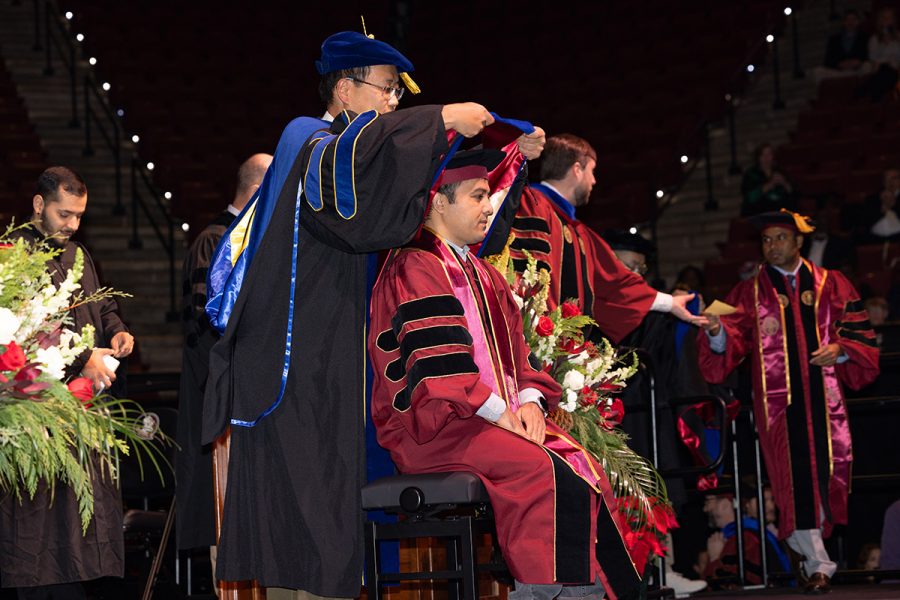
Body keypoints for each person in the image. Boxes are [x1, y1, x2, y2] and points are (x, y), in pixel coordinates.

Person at [200, 30, 544, 597]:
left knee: (337, 516)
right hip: (300, 362)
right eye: (386, 89)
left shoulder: (361, 154)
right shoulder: (307, 143)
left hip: (343, 360)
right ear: (343, 86)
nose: (392, 103)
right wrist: (440, 119)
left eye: (397, 96)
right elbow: (354, 199)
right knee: (304, 522)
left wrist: (511, 155)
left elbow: (431, 207)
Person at [369, 147, 642, 600]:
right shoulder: (415, 266)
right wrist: (504, 415)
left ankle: (595, 594)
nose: (490, 207)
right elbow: (441, 371)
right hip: (436, 429)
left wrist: (532, 403)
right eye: (478, 196)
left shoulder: (481, 272)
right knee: (542, 470)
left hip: (491, 422)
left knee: (587, 467)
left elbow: (522, 357)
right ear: (439, 200)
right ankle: (543, 593)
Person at [697, 210, 881, 594]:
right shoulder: (749, 291)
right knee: (792, 483)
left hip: (825, 402)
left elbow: (860, 335)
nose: (773, 246)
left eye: (781, 238)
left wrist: (841, 350)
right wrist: (715, 330)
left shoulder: (833, 284)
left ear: (799, 242)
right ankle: (819, 564)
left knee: (823, 477)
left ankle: (809, 555)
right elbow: (727, 330)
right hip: (779, 409)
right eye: (767, 240)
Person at [1, 166, 134, 598]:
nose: (73, 225)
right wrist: (84, 357)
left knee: (80, 545)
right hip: (38, 413)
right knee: (39, 541)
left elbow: (104, 305)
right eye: (64, 215)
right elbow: (25, 328)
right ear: (39, 205)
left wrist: (115, 330)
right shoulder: (13, 254)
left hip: (82, 411)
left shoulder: (78, 255)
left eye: (79, 216)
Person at [507, 134, 704, 345]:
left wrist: (670, 303)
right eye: (591, 171)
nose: (594, 180)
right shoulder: (530, 205)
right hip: (525, 341)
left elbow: (617, 283)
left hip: (562, 351)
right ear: (576, 170)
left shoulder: (581, 234)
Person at [174, 154, 271, 555]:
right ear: (258, 191)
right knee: (224, 511)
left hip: (248, 395)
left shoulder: (257, 239)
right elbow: (204, 326)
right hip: (222, 396)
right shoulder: (216, 241)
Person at [814, 9, 871, 83]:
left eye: (853, 19)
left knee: (867, 66)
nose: (850, 22)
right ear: (843, 22)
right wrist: (839, 64)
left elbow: (868, 56)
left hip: (857, 71)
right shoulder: (834, 39)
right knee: (818, 71)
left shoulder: (865, 38)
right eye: (848, 19)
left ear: (858, 22)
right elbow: (827, 60)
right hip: (839, 72)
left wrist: (858, 62)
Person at [857, 7, 900, 102]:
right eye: (884, 18)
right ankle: (873, 99)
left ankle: (863, 92)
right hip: (881, 71)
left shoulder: (898, 38)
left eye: (890, 18)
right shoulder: (874, 39)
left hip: (896, 71)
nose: (887, 21)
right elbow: (873, 59)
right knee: (884, 72)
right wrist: (884, 45)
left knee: (887, 71)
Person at [740, 143, 795, 217]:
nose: (766, 158)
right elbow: (750, 198)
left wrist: (784, 183)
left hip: (781, 213)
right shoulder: (751, 174)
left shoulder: (781, 171)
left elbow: (793, 193)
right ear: (758, 157)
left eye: (769, 154)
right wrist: (770, 185)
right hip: (759, 214)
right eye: (763, 155)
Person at [858, 168, 900, 242]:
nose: (890, 182)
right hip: (875, 239)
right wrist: (882, 210)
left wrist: (894, 205)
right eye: (887, 178)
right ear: (883, 181)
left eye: (894, 178)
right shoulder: (872, 199)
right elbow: (866, 222)